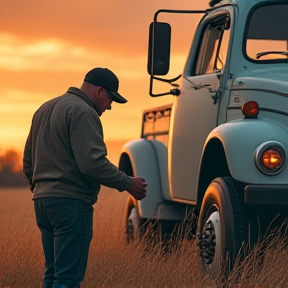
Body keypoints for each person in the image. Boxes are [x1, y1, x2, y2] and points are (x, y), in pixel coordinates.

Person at [22, 67, 147, 288]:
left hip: (42, 204)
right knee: (68, 279)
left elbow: (28, 162)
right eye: (111, 99)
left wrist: (42, 190)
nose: (109, 106)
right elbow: (92, 163)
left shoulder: (44, 108)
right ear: (100, 91)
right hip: (71, 204)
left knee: (52, 275)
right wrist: (128, 183)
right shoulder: (83, 112)